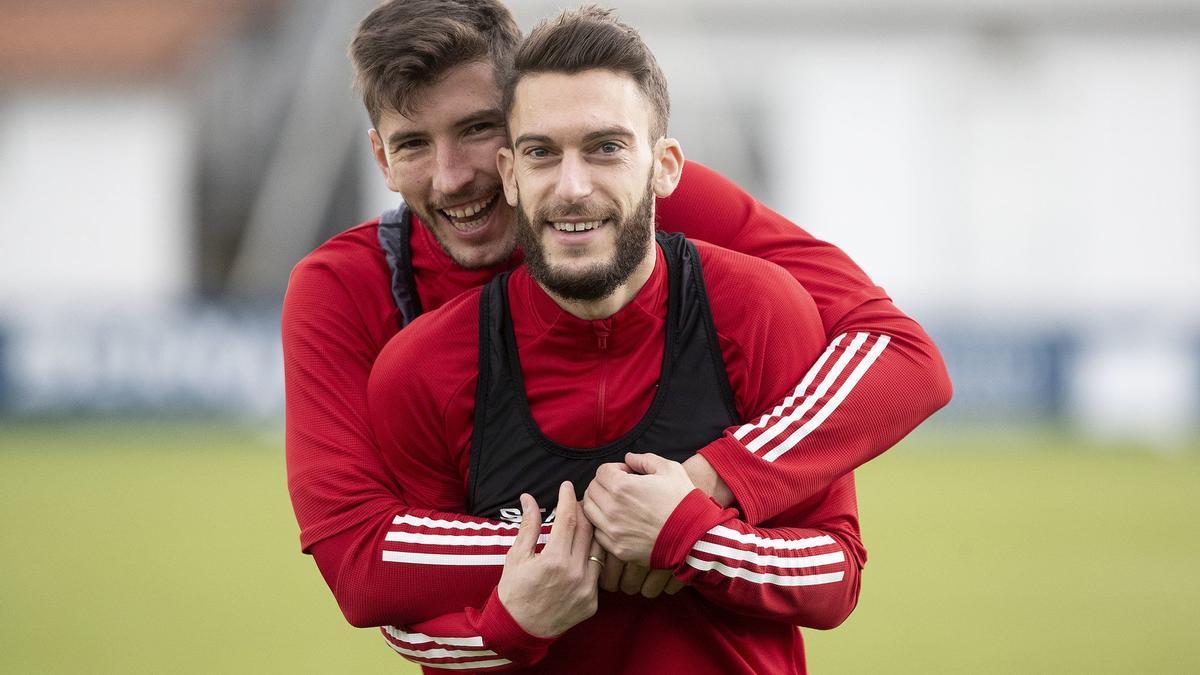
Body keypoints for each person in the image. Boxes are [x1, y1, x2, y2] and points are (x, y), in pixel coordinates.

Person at [282, 0, 949, 659]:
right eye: (413, 144)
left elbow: (901, 354)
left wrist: (710, 481)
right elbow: (364, 558)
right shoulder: (349, 289)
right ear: (380, 156)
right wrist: (603, 536)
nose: (453, 176)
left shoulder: (635, 199)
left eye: (478, 128)